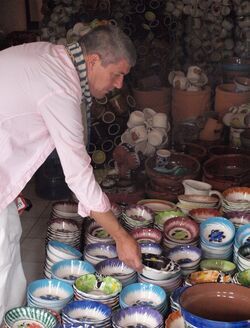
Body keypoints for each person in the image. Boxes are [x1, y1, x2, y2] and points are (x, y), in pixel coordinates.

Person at [0, 24, 143, 320]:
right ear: (92, 61)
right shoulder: (60, 86)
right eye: (116, 73)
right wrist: (120, 236)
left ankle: (11, 317)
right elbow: (77, 174)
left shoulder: (51, 57)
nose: (118, 85)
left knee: (9, 237)